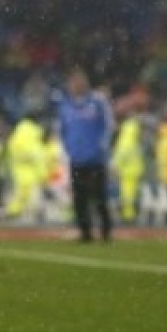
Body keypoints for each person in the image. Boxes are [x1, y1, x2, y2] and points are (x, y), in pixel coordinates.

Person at [55, 67, 114, 243]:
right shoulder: (65, 106)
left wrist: (102, 147)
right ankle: (85, 232)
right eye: (73, 82)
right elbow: (62, 130)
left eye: (79, 81)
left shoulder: (97, 102)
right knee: (79, 199)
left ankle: (105, 232)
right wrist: (68, 150)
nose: (75, 85)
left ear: (85, 82)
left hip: (96, 158)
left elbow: (109, 125)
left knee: (99, 197)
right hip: (76, 158)